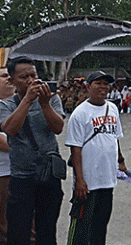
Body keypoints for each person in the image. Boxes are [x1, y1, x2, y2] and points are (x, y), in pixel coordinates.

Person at [0, 57, 65, 245]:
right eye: (24, 77)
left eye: (33, 75)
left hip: (48, 175)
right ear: (12, 82)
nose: (30, 80)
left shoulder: (51, 98)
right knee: (18, 232)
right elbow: (10, 129)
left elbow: (58, 128)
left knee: (46, 230)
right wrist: (27, 99)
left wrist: (44, 104)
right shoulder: (6, 105)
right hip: (22, 177)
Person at [65, 71, 128, 244]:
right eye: (98, 83)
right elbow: (75, 148)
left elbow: (115, 138)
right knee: (81, 227)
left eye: (106, 84)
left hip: (107, 179)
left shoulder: (112, 108)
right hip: (88, 182)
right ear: (88, 86)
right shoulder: (80, 113)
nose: (103, 87)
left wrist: (120, 161)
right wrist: (79, 179)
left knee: (101, 225)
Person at [0, 66, 15, 245]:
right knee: (4, 223)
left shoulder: (21, 104)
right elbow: (4, 144)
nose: (8, 79)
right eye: (4, 76)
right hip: (3, 173)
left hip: (26, 171)